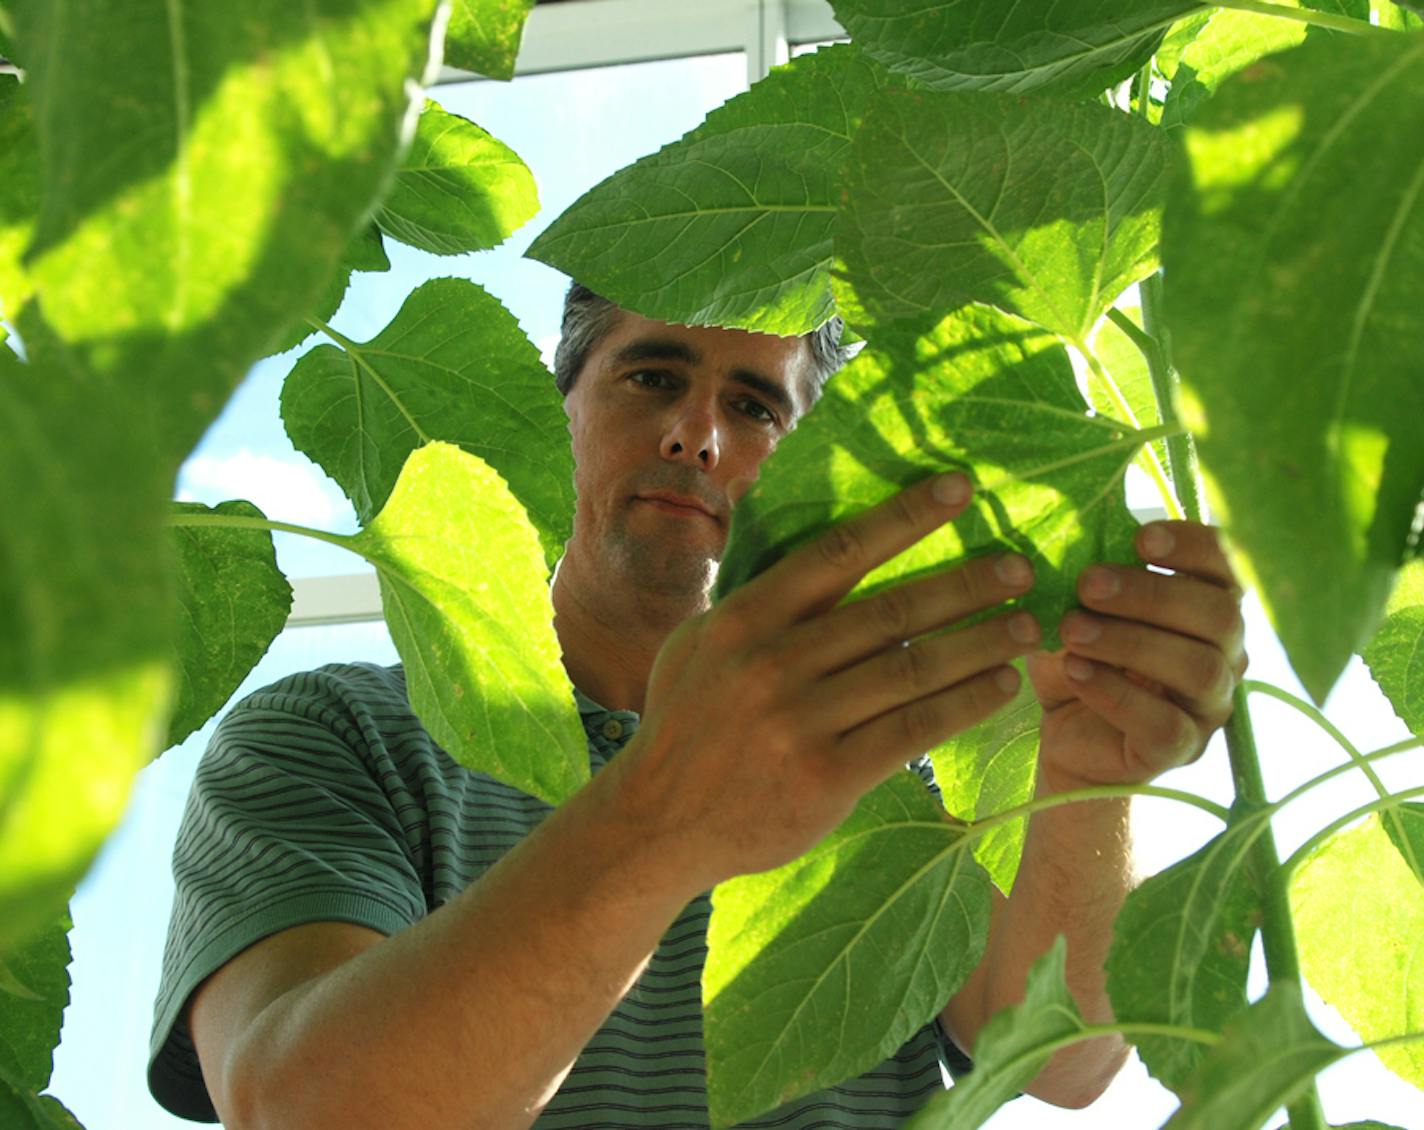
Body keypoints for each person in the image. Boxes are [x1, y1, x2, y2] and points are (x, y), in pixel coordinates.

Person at [147, 283, 1246, 1129]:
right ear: (557, 410)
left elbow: (1059, 1054)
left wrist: (1086, 762)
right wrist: (670, 810)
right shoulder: (340, 734)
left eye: (755, 405)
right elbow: (304, 1102)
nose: (697, 436)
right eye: (651, 377)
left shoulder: (904, 768)